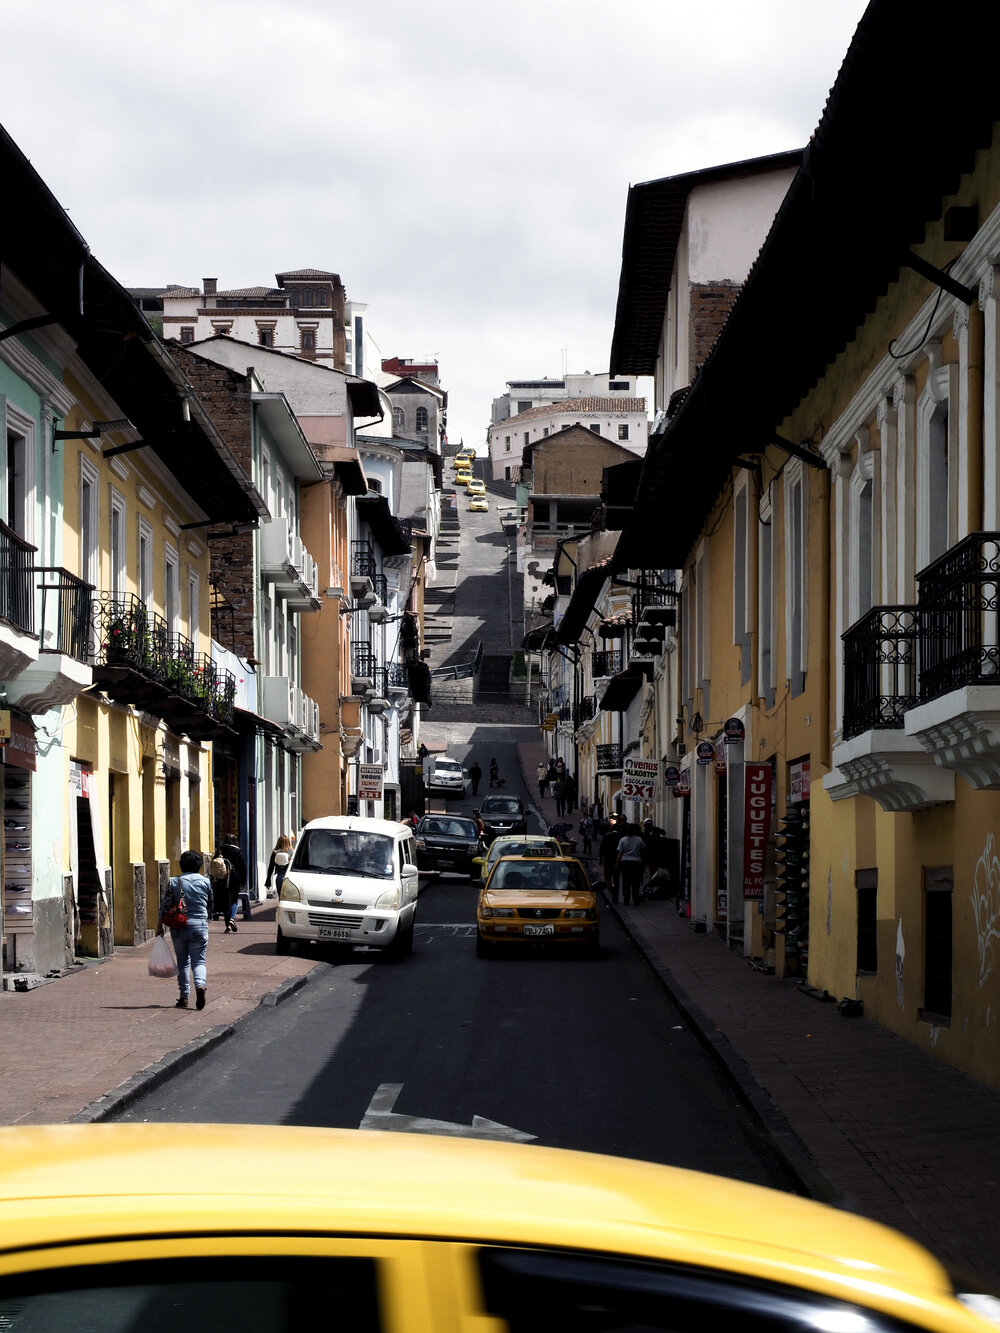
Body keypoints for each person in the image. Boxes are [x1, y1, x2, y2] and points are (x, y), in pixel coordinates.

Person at [159, 849, 212, 1010]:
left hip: (179, 926)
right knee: (199, 961)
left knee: (182, 962)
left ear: (182, 865)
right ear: (199, 866)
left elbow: (165, 906)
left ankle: (184, 997)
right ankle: (200, 985)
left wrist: (158, 926)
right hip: (199, 925)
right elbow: (211, 905)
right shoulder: (206, 882)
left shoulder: (174, 882)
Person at [214, 830, 247, 934]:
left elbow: (214, 865)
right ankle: (232, 920)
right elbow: (243, 867)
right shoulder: (238, 852)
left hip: (222, 879)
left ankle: (227, 924)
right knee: (233, 900)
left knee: (225, 901)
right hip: (235, 879)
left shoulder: (220, 851)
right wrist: (243, 880)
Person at [616, 823, 646, 906]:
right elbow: (643, 850)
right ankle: (635, 899)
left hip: (625, 863)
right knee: (636, 882)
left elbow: (620, 853)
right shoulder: (639, 840)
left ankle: (626, 900)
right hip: (636, 863)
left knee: (626, 882)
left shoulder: (623, 840)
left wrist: (617, 863)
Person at [599, 821, 623, 902]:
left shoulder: (606, 836)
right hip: (617, 860)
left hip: (607, 859)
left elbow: (602, 847)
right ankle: (615, 895)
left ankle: (610, 888)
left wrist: (600, 858)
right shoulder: (621, 836)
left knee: (607, 877)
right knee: (616, 878)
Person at [264, 833, 293, 898]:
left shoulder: (275, 853)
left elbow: (271, 867)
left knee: (281, 898)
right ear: (288, 842)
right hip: (290, 878)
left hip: (279, 877)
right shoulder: (292, 852)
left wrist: (268, 879)